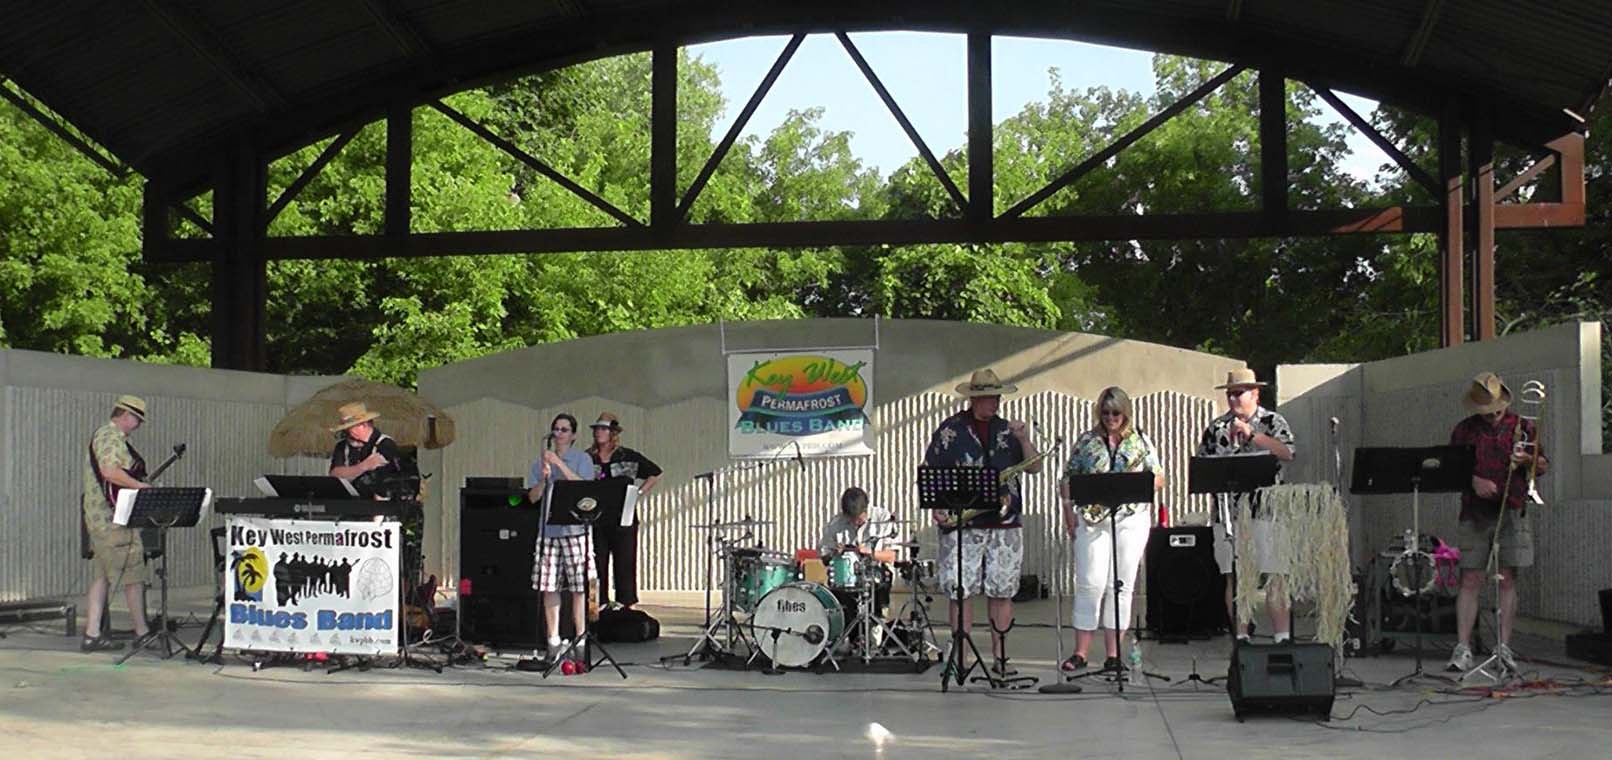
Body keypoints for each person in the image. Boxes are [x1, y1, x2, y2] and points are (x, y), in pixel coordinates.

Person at [923, 368, 1042, 673]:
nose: (996, 402)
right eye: (990, 397)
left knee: (1002, 590)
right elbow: (931, 469)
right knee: (959, 590)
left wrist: (1024, 439)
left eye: (998, 396)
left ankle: (1001, 659)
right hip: (964, 524)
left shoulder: (1008, 430)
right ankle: (961, 658)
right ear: (975, 399)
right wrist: (937, 505)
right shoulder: (950, 430)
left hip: (1004, 523)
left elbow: (1035, 467)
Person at [1446, 372, 1546, 674]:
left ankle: (1504, 646)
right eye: (1487, 412)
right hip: (1475, 512)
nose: (1493, 416)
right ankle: (1463, 647)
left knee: (1508, 577)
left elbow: (1543, 465)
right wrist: (1474, 480)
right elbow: (1449, 469)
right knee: (1471, 577)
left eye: (1497, 410)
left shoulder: (1523, 426)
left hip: (1513, 509)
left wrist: (1527, 460)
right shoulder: (1464, 430)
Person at [1059, 387, 1164, 673]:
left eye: (1116, 413)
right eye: (1105, 413)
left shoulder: (1140, 440)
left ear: (1125, 412)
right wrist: (1068, 511)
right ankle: (1081, 652)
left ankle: (1113, 654)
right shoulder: (1087, 441)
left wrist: (1135, 481)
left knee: (1120, 585)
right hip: (1093, 520)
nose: (1110, 418)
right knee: (1089, 583)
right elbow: (1068, 478)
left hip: (1130, 519)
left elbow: (1158, 478)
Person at [1197, 368, 1296, 642]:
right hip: (1229, 514)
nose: (1233, 400)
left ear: (1255, 393)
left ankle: (1282, 638)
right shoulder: (1216, 428)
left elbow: (1287, 452)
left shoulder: (1273, 421)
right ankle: (1241, 638)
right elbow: (1203, 467)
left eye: (1238, 393)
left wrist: (1252, 435)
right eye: (1229, 394)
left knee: (1276, 574)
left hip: (1267, 511)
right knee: (1235, 577)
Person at [81, 395, 152, 652]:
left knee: (102, 576)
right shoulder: (110, 437)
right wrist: (139, 486)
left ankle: (92, 634)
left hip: (100, 518)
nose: (138, 425)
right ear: (125, 414)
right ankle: (143, 632)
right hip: (112, 519)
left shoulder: (106, 436)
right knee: (133, 572)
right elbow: (110, 472)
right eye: (137, 419)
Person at [528, 413, 596, 661]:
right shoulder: (540, 463)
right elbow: (532, 497)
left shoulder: (582, 459)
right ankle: (553, 639)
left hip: (576, 530)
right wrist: (545, 478)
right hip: (549, 530)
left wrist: (558, 463)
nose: (559, 433)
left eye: (564, 430)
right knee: (549, 586)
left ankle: (580, 638)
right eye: (556, 429)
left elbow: (584, 488)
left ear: (574, 435)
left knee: (579, 587)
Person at [586, 412, 662, 611]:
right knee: (595, 565)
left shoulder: (628, 456)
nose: (599, 433)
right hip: (595, 519)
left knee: (625, 564)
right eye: (597, 429)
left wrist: (637, 493)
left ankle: (626, 607)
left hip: (623, 517)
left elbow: (655, 473)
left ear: (612, 433)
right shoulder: (588, 457)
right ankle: (596, 605)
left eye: (603, 429)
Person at [817, 486, 898, 639]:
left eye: (858, 519)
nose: (855, 523)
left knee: (881, 585)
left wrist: (870, 553)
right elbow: (824, 557)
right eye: (850, 519)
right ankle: (846, 636)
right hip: (847, 577)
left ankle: (875, 631)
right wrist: (835, 553)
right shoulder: (836, 524)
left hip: (876, 573)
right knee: (838, 594)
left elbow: (891, 555)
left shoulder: (882, 518)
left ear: (866, 509)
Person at [328, 402, 415, 498]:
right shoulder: (342, 446)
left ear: (363, 425)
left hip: (381, 508)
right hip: (350, 507)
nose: (347, 432)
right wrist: (363, 466)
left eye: (350, 428)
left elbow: (389, 482)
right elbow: (335, 475)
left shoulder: (385, 444)